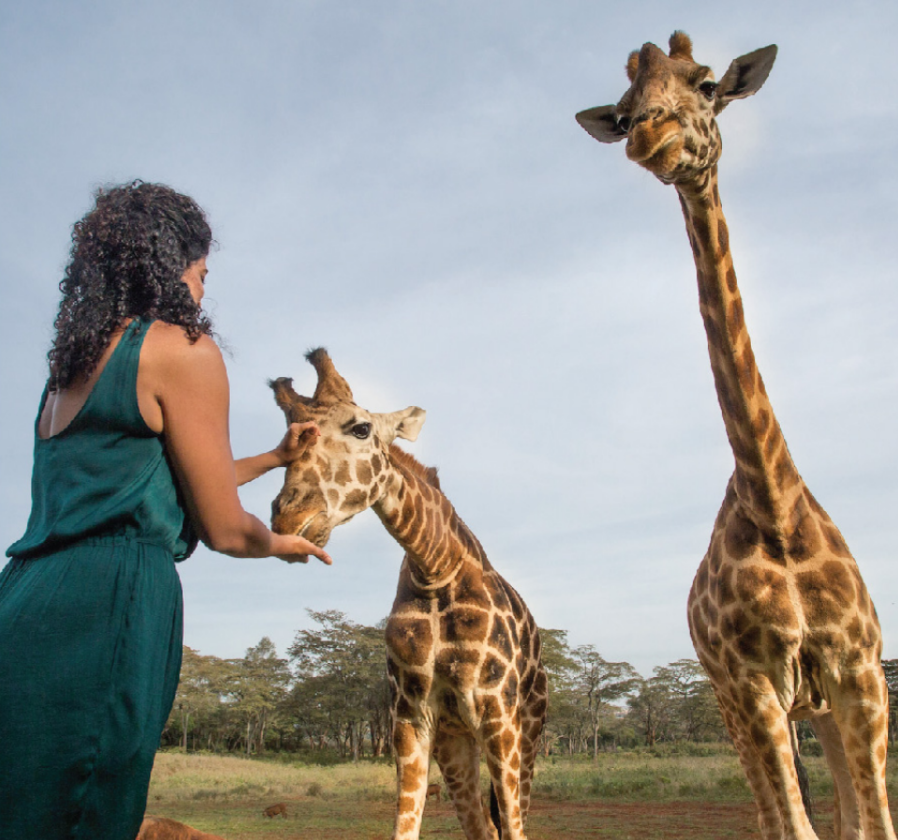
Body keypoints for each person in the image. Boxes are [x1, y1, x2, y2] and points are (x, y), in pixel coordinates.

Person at [0, 181, 331, 839]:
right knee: (88, 809)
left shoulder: (65, 373)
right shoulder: (181, 349)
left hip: (25, 600)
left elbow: (155, 480)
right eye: (203, 273)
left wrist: (270, 457)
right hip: (111, 604)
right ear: (170, 264)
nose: (205, 289)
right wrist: (284, 542)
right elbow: (225, 528)